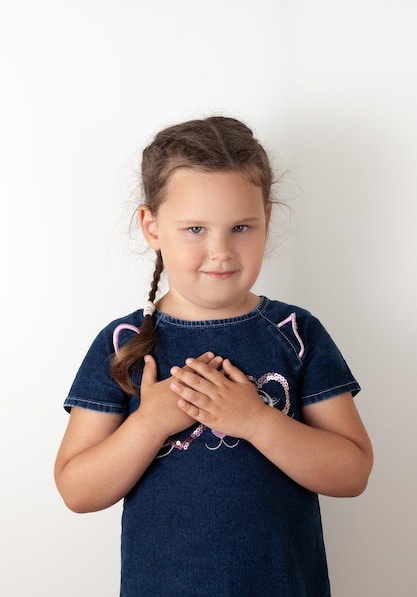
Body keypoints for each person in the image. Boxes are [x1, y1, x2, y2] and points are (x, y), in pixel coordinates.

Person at [54, 116, 373, 596]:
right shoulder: (123, 343)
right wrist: (150, 422)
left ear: (267, 218)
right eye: (196, 228)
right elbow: (76, 490)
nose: (221, 251)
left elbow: (353, 473)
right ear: (152, 226)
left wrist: (256, 421)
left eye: (241, 227)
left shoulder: (296, 333)